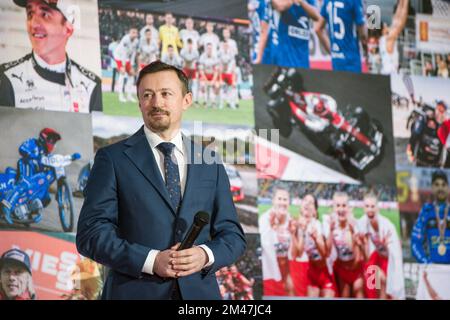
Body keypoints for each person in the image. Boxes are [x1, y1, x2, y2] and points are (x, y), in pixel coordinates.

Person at [76, 61, 246, 300]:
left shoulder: (210, 162)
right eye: (148, 95)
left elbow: (233, 236)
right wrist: (151, 260)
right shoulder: (111, 159)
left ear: (186, 100)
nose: (156, 103)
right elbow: (91, 235)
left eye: (166, 94)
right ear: (139, 102)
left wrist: (205, 254)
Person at [0, 0, 102, 112]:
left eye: (45, 15)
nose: (33, 24)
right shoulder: (6, 78)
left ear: (68, 29)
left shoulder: (92, 87)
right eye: (30, 13)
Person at [1, 128, 61, 224]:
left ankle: (27, 211)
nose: (52, 143)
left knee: (46, 197)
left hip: (35, 176)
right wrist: (33, 156)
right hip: (26, 166)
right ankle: (7, 205)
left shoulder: (47, 155)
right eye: (51, 140)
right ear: (43, 137)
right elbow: (22, 148)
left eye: (54, 141)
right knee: (25, 183)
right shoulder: (33, 142)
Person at [357, 193, 405, 299]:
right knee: (373, 276)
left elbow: (395, 255)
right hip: (374, 262)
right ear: (363, 208)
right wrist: (361, 244)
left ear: (377, 208)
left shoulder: (388, 227)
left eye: (372, 206)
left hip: (388, 263)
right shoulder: (361, 223)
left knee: (385, 285)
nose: (370, 209)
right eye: (367, 206)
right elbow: (366, 258)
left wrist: (385, 248)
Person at [290, 194, 336, 298]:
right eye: (305, 200)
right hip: (312, 274)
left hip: (325, 272)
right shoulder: (298, 227)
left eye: (311, 202)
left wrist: (316, 239)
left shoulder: (317, 225)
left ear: (315, 211)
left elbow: (325, 254)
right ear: (301, 206)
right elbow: (298, 254)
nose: (307, 203)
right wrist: (297, 233)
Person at [324, 192, 364, 298]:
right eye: (338, 205)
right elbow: (327, 253)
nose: (341, 209)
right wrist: (330, 232)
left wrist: (352, 233)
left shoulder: (354, 224)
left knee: (358, 291)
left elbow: (358, 257)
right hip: (342, 269)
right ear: (333, 208)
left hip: (357, 269)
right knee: (344, 295)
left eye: (343, 205)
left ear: (348, 208)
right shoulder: (332, 225)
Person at [259, 186, 295, 296]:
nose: (282, 202)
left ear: (289, 202)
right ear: (273, 200)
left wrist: (293, 234)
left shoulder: (291, 220)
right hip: (270, 269)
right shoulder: (265, 219)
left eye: (285, 199)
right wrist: (272, 229)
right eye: (279, 199)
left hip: (286, 268)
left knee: (292, 292)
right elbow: (264, 247)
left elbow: (294, 253)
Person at [315, 0, 367, 73]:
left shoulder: (327, 1)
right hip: (351, 60)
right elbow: (363, 34)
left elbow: (318, 29)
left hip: (336, 61)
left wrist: (333, 52)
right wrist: (367, 52)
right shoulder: (354, 1)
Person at [411, 170, 450, 264]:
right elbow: (415, 242)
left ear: (448, 188)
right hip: (432, 271)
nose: (440, 188)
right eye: (437, 185)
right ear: (432, 188)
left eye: (443, 184)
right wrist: (426, 263)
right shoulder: (426, 212)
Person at [270, 0, 320, 68]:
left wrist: (302, 2)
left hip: (303, 58)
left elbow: (317, 16)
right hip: (285, 57)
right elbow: (280, 6)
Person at [378, 0, 409, 75]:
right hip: (390, 75)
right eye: (385, 25)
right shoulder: (388, 38)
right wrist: (405, 2)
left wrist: (401, 3)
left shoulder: (384, 39)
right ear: (383, 30)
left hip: (387, 73)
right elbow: (401, 20)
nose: (387, 25)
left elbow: (396, 18)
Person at [114, 27, 139, 103]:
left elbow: (133, 54)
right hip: (119, 56)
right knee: (122, 73)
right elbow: (123, 53)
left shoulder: (136, 41)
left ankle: (129, 96)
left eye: (135, 33)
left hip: (127, 58)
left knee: (131, 74)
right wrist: (123, 66)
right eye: (133, 32)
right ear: (129, 33)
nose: (134, 34)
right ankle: (120, 96)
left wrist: (131, 65)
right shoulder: (125, 39)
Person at [198, 43, 220, 108]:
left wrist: (213, 80)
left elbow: (216, 71)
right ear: (206, 49)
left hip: (213, 75)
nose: (209, 50)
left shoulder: (215, 57)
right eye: (208, 48)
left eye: (210, 48)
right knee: (202, 85)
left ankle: (213, 102)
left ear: (212, 49)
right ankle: (205, 102)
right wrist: (206, 81)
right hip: (205, 75)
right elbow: (201, 71)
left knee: (217, 86)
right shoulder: (202, 57)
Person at [218, 41, 238, 109]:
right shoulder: (220, 53)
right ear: (223, 46)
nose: (225, 47)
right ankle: (221, 103)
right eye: (224, 45)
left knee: (232, 88)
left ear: (228, 46)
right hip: (223, 74)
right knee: (222, 88)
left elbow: (233, 65)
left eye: (227, 45)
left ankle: (232, 103)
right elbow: (220, 65)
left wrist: (233, 76)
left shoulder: (231, 54)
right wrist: (220, 76)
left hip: (229, 74)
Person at [180, 38, 200, 103]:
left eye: (191, 44)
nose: (190, 46)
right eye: (188, 44)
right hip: (186, 69)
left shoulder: (196, 52)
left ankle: (195, 100)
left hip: (193, 69)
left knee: (193, 84)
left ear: (192, 45)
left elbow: (196, 62)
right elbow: (182, 61)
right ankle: (184, 99)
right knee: (185, 84)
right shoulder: (183, 51)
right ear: (186, 44)